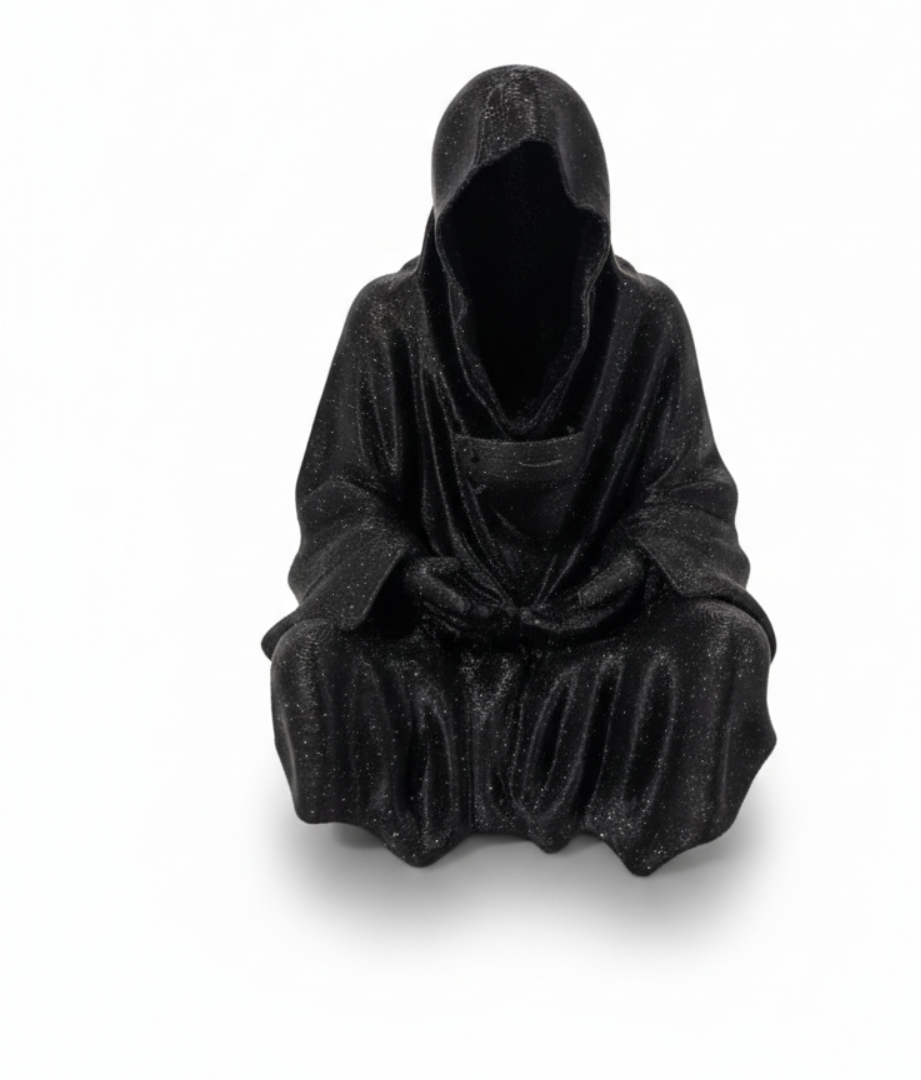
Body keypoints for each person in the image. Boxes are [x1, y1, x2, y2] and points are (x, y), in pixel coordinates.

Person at [262, 65, 776, 875]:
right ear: (446, 213)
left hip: (593, 640)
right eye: (488, 211)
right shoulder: (390, 322)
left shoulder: (646, 322)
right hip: (440, 646)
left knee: (726, 649)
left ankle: (592, 778)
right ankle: (447, 777)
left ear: (593, 217)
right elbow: (341, 495)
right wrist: (411, 576)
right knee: (314, 661)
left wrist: (631, 571)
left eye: (547, 212)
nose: (518, 237)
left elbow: (690, 493)